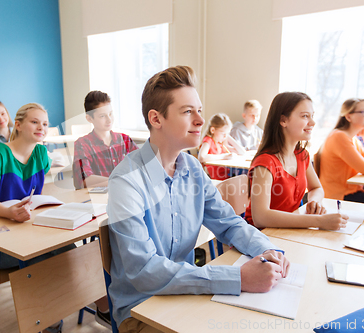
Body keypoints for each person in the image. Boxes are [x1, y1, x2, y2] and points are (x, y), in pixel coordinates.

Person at [107, 66, 289, 332]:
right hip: (142, 309)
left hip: (188, 292)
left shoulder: (192, 169)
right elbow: (143, 271)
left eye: (199, 110)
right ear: (156, 119)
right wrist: (237, 277)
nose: (201, 121)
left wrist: (267, 250)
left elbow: (228, 223)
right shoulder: (126, 180)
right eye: (187, 112)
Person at [0, 103, 110, 332]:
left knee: (68, 249)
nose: (41, 127)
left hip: (22, 233)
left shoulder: (41, 154)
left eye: (45, 123)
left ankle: (90, 310)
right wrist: (9, 212)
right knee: (44, 257)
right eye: (34, 122)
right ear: (18, 125)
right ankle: (55, 322)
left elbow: (34, 197)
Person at [245, 92, 347, 230]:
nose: (313, 122)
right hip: (261, 237)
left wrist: (314, 201)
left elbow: (316, 188)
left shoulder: (302, 155)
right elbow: (261, 218)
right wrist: (318, 221)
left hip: (288, 231)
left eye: (312, 116)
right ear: (283, 120)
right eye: (305, 116)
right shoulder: (265, 163)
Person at [72, 91, 138, 189]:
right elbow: (84, 180)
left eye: (110, 114)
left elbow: (142, 168)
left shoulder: (125, 140)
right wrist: (119, 181)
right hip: (99, 200)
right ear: (89, 118)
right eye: (102, 116)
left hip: (127, 194)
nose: (109, 119)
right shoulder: (82, 144)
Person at [198, 113, 245, 180]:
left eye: (227, 134)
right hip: (219, 180)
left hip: (228, 176)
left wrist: (227, 135)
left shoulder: (220, 144)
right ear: (213, 130)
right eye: (223, 134)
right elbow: (201, 157)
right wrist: (224, 156)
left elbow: (242, 152)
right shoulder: (208, 140)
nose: (225, 136)